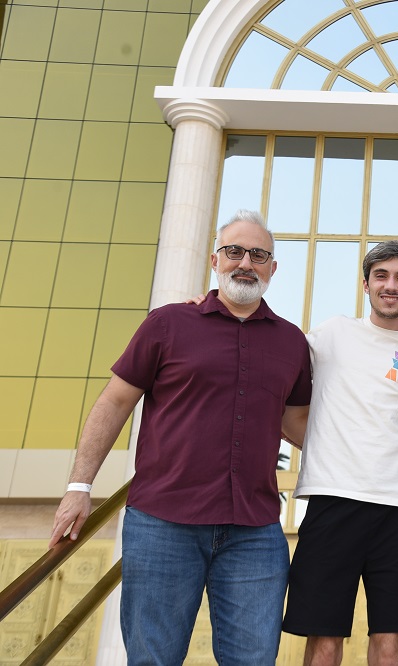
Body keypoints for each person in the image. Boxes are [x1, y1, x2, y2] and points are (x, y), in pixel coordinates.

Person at [48, 210, 312, 665]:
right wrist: (79, 487)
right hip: (163, 524)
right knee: (154, 658)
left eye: (258, 254)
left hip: (255, 531)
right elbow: (113, 404)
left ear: (272, 268)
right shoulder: (168, 324)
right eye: (234, 251)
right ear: (215, 260)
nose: (245, 262)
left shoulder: (292, 343)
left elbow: (298, 425)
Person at [282, 241, 398, 666]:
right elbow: (278, 385)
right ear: (365, 283)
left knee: (390, 642)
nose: (391, 286)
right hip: (332, 502)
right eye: (382, 276)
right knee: (324, 640)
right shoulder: (331, 334)